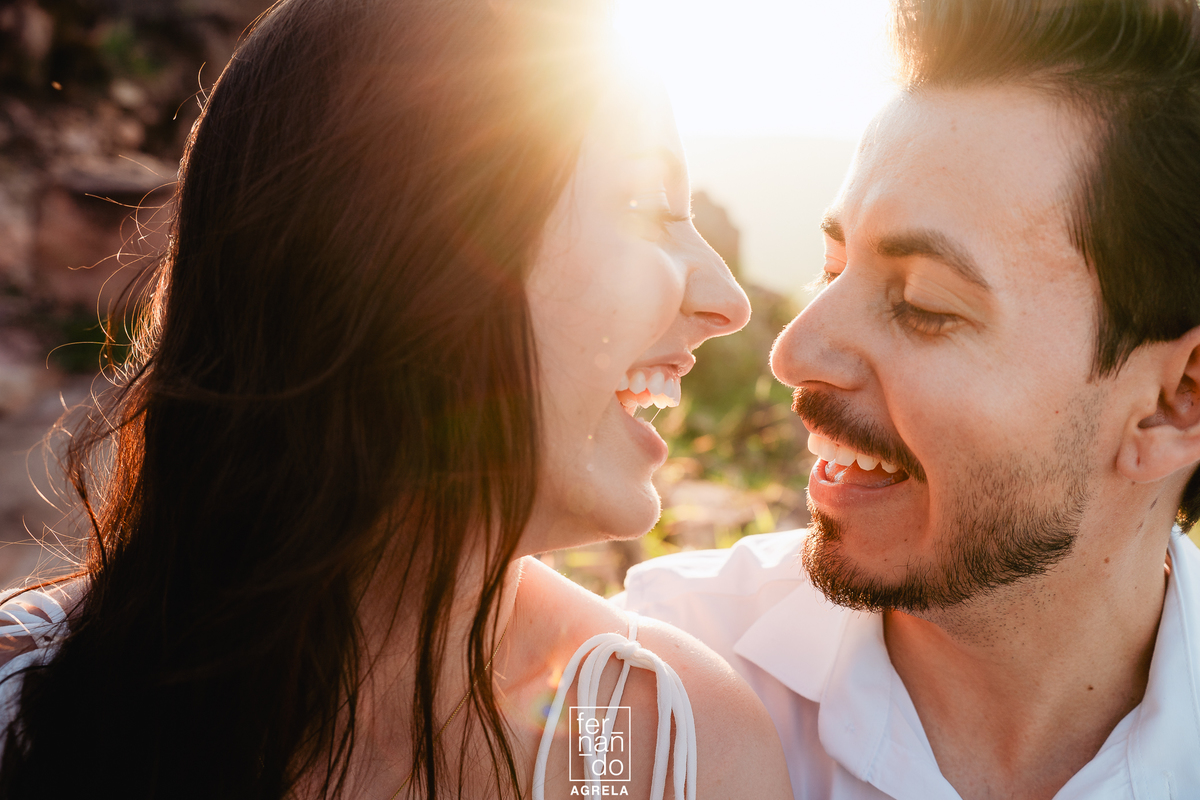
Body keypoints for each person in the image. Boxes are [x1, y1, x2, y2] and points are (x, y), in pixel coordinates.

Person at [0, 0, 795, 798]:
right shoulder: (25, 704)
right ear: (406, 257)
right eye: (644, 208)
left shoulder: (665, 752)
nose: (728, 302)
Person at [616, 0, 1200, 798]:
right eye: (831, 267)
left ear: (1175, 402)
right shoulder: (648, 683)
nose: (793, 356)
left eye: (924, 303)